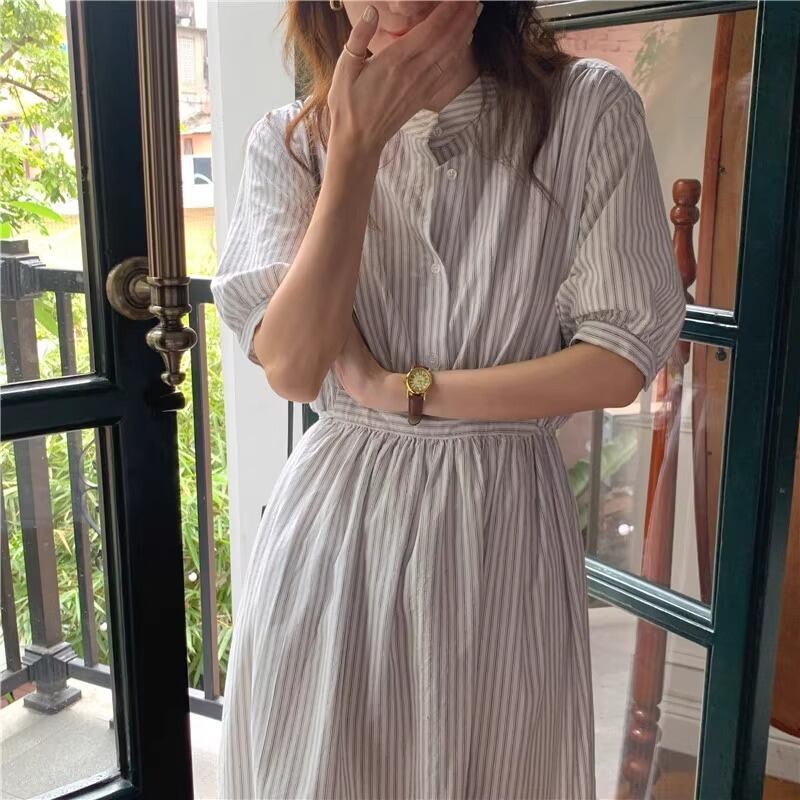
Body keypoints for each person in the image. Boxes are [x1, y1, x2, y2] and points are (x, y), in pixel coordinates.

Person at [210, 1, 687, 797]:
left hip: (500, 531)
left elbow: (617, 361)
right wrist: (356, 149)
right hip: (337, 538)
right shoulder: (292, 142)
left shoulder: (584, 110)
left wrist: (403, 391)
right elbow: (292, 366)